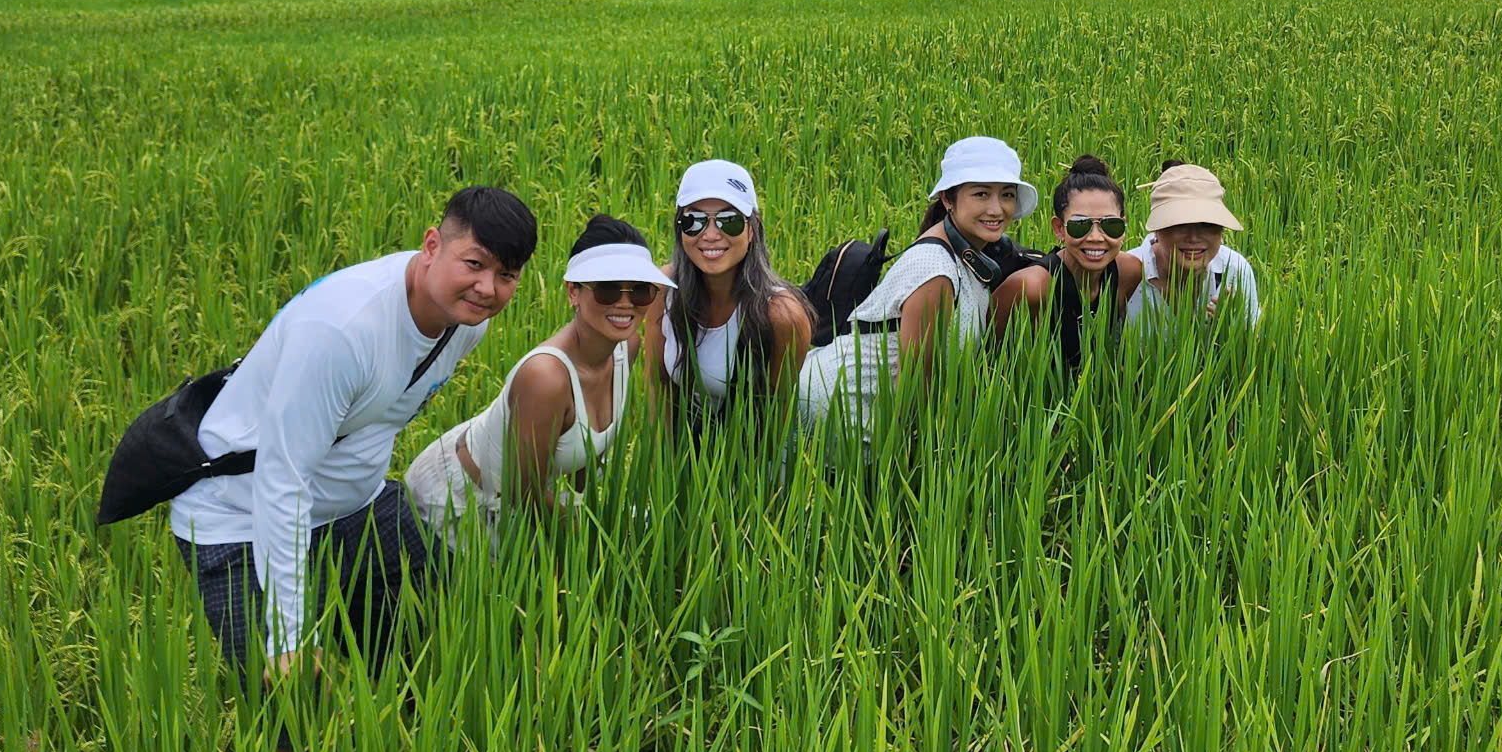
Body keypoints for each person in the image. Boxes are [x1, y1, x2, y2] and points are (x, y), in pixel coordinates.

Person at [165, 185, 537, 681]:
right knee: (289, 707)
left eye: (506, 275)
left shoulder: (467, 322)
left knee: (438, 643)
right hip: (239, 514)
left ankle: (408, 750)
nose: (488, 288)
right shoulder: (342, 334)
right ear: (431, 245)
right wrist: (289, 633)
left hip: (356, 501)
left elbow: (377, 417)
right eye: (474, 263)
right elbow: (282, 479)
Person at [406, 215, 672, 544]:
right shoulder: (545, 377)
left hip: (511, 492)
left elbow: (585, 453)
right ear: (573, 291)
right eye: (606, 289)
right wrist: (593, 540)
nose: (625, 302)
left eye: (640, 290)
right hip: (459, 501)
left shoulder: (625, 348)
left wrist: (587, 512)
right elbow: (523, 492)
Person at [796, 136, 1039, 441]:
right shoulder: (934, 270)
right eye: (980, 194)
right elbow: (918, 383)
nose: (996, 209)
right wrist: (922, 463)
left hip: (869, 413)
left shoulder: (971, 255)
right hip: (838, 414)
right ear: (948, 200)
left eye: (1006, 195)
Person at [643, 159, 815, 431]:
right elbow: (658, 390)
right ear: (679, 228)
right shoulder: (664, 289)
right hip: (688, 449)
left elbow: (775, 427)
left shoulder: (782, 317)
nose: (711, 235)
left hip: (749, 453)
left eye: (729, 221)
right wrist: (660, 469)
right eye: (694, 221)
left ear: (752, 228)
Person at [1032, 153, 1145, 383]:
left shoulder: (1129, 272)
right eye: (1080, 225)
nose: (1095, 237)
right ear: (1058, 229)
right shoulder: (1034, 287)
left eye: (1110, 225)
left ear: (1123, 227)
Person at [1120, 161, 1263, 328]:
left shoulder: (1234, 270)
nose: (1194, 237)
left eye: (1207, 225)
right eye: (1180, 224)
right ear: (1157, 229)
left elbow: (1255, 346)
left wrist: (1234, 331)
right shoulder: (1126, 274)